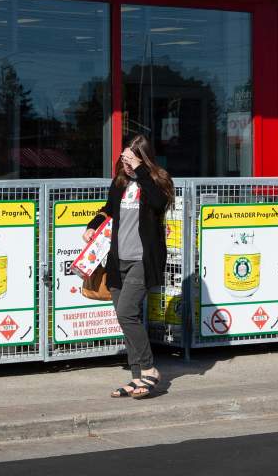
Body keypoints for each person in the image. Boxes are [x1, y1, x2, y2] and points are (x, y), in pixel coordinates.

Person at [83, 135, 174, 399]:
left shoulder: (157, 181)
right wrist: (92, 224)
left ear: (143, 158)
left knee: (127, 313)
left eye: (130, 159)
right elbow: (108, 210)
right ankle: (137, 380)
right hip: (117, 260)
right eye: (123, 159)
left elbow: (158, 203)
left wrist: (141, 170)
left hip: (142, 261)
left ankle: (149, 369)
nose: (125, 164)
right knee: (127, 319)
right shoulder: (120, 182)